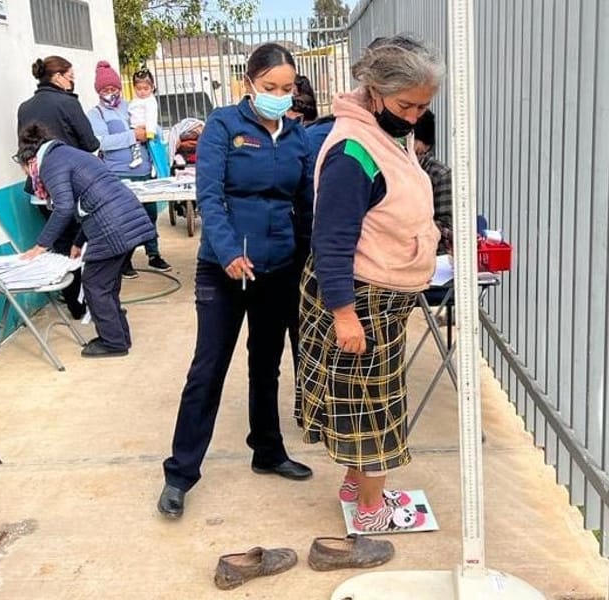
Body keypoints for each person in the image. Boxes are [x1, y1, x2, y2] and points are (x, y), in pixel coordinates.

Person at [158, 43, 314, 520]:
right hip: (225, 269)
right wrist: (227, 252)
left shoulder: (297, 138)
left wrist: (306, 261)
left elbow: (304, 206)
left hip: (278, 268)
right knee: (207, 370)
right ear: (248, 83)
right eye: (270, 88)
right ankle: (180, 474)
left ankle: (267, 450)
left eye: (287, 89)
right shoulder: (224, 126)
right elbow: (209, 195)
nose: (279, 96)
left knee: (267, 364)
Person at [299, 35, 444, 532]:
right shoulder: (353, 152)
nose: (414, 117)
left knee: (365, 397)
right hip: (360, 297)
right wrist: (344, 313)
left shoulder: (388, 135)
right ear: (375, 90)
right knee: (377, 409)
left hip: (379, 296)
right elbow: (331, 238)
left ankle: (353, 484)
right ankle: (369, 508)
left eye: (423, 107)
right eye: (407, 105)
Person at [14, 123, 155, 358]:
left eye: (25, 172)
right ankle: (119, 336)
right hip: (126, 220)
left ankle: (113, 342)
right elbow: (87, 202)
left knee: (94, 284)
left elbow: (64, 208)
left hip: (113, 226)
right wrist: (78, 242)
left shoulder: (50, 164)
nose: (30, 178)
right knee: (106, 285)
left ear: (30, 162)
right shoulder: (66, 154)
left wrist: (40, 246)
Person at [17, 56, 99, 320]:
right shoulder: (67, 103)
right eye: (70, 75)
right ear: (58, 77)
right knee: (81, 246)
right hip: (71, 189)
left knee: (63, 247)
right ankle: (87, 306)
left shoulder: (24, 107)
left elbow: (25, 147)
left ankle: (75, 305)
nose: (73, 80)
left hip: (40, 191)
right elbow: (90, 143)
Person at [86, 60, 172, 276]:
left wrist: (154, 131)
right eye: (106, 89)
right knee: (126, 219)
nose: (111, 93)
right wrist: (133, 135)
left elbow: (152, 127)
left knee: (149, 215)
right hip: (118, 174)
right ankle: (125, 260)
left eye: (114, 88)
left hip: (144, 171)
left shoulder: (132, 105)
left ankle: (153, 254)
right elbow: (100, 142)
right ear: (99, 91)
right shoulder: (96, 114)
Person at [413, 109, 453, 254]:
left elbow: (447, 225)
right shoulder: (391, 167)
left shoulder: (440, 175)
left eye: (419, 153)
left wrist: (412, 227)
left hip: (432, 253)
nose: (413, 157)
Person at [128, 67, 159, 169]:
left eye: (146, 89)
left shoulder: (150, 101)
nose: (142, 92)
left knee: (151, 147)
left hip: (145, 127)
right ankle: (141, 158)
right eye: (139, 89)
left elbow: (151, 116)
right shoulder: (135, 100)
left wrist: (150, 131)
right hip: (135, 126)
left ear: (152, 87)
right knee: (137, 144)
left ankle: (152, 163)